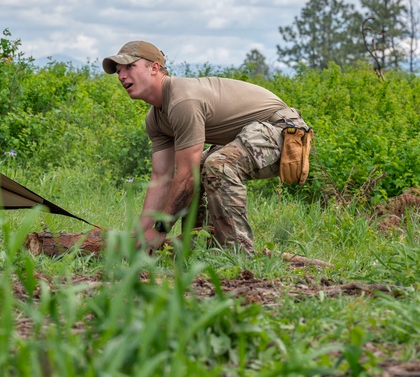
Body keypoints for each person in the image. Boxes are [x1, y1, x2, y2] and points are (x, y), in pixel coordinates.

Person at [103, 40, 310, 254]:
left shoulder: (182, 100)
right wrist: (140, 234)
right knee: (198, 165)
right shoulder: (155, 120)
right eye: (118, 71)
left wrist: (161, 229)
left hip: (283, 131)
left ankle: (238, 255)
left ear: (154, 68)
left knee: (217, 166)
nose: (122, 76)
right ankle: (200, 247)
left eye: (129, 67)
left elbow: (186, 176)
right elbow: (161, 179)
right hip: (250, 135)